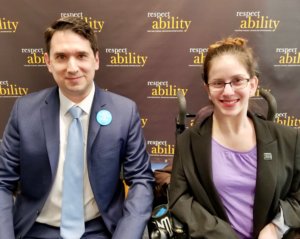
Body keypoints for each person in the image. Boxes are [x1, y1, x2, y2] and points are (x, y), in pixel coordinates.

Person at [0, 16, 154, 239]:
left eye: (81, 55)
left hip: (99, 230)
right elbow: (3, 181)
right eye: (61, 57)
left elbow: (141, 180)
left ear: (96, 60)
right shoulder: (24, 111)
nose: (72, 68)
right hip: (35, 230)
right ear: (48, 62)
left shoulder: (124, 112)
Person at [169, 37, 300, 239]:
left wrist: (275, 228)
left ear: (253, 84)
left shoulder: (290, 139)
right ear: (207, 89)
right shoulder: (188, 142)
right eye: (218, 83)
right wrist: (219, 233)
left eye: (237, 80)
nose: (228, 91)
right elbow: (178, 198)